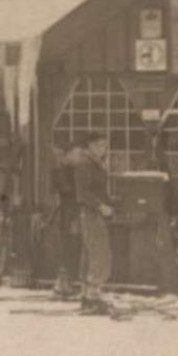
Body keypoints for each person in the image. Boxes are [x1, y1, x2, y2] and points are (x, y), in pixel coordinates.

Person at [75, 131, 116, 312]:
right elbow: (82, 193)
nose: (103, 149)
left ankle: (87, 296)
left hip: (95, 213)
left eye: (105, 146)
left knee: (91, 253)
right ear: (90, 146)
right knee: (99, 252)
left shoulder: (96, 164)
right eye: (100, 145)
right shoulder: (85, 164)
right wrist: (101, 206)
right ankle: (92, 298)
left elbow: (98, 190)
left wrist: (111, 202)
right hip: (91, 214)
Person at [48, 142, 84, 299]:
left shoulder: (72, 170)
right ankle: (62, 284)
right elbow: (67, 191)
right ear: (67, 155)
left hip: (72, 213)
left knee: (72, 247)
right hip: (67, 214)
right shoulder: (61, 171)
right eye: (76, 154)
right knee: (66, 247)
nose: (79, 157)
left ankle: (66, 283)